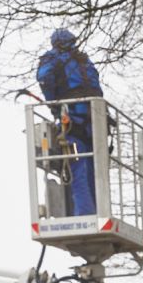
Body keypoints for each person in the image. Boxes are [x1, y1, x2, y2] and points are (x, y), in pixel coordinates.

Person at [36, 28, 104, 216]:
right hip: (95, 121)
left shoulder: (53, 58)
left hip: (72, 120)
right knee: (94, 169)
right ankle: (98, 212)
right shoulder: (84, 61)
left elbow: (44, 78)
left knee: (78, 170)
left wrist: (53, 103)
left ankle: (85, 214)